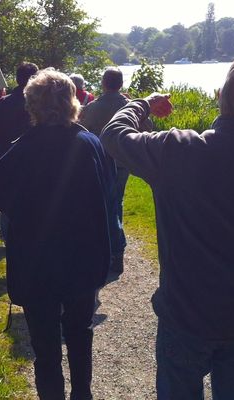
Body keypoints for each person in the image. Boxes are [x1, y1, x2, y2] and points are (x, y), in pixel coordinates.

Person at [100, 54, 234, 399]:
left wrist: (144, 105)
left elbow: (114, 135)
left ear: (221, 96)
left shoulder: (177, 150)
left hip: (184, 314)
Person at [0, 68, 115, 400]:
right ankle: (82, 394)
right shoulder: (90, 143)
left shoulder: (26, 146)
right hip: (84, 257)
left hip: (37, 260)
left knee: (45, 346)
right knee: (80, 335)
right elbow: (108, 191)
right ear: (73, 102)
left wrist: (23, 209)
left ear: (32, 105)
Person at [80, 67, 146, 279]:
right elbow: (147, 127)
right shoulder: (129, 107)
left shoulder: (93, 107)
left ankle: (112, 249)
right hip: (122, 161)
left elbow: (81, 128)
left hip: (99, 161)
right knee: (116, 203)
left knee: (104, 205)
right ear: (121, 84)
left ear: (103, 83)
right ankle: (115, 250)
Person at [0, 61, 39, 242]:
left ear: (17, 79)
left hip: (7, 153)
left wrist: (1, 150)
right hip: (34, 157)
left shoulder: (3, 102)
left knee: (9, 193)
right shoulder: (40, 103)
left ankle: (6, 232)